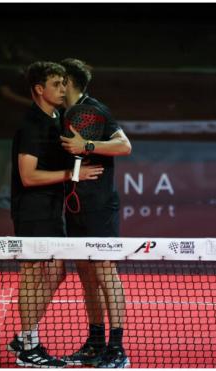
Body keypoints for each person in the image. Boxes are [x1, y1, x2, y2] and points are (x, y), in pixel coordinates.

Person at [8, 61, 103, 368]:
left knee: (56, 272)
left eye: (65, 84)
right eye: (57, 84)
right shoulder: (33, 124)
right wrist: (71, 174)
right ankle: (29, 346)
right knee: (33, 275)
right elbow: (28, 176)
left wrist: (80, 167)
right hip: (32, 211)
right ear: (39, 89)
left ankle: (24, 337)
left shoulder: (56, 118)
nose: (64, 90)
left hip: (51, 209)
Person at [59, 58, 132, 368]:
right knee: (87, 277)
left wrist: (86, 145)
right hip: (76, 205)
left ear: (68, 83)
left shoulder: (93, 110)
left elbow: (124, 146)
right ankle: (95, 342)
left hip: (99, 205)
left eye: (59, 81)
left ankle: (117, 349)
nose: (57, 86)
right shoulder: (64, 113)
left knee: (104, 273)